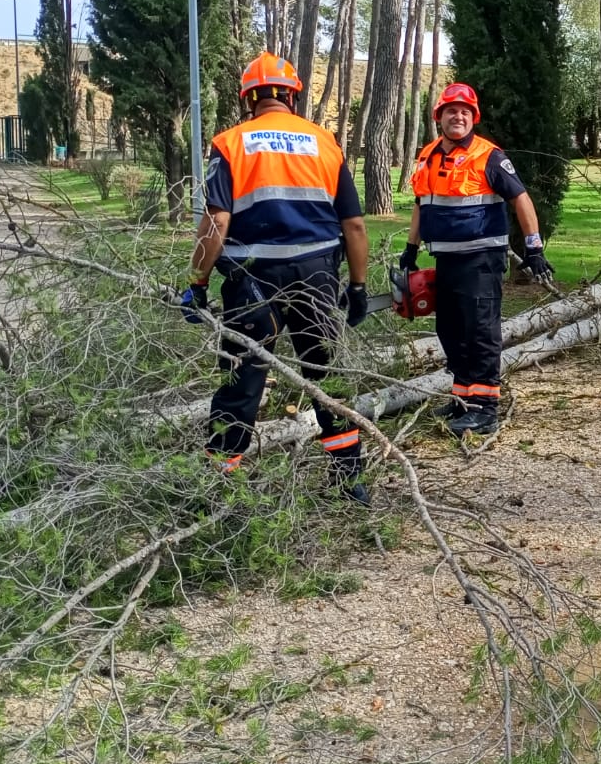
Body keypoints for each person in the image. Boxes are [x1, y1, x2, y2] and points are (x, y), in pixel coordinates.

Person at [181, 52, 372, 500]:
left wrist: (196, 283)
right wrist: (358, 287)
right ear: (291, 94)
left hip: (252, 280)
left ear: (249, 98)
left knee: (241, 380)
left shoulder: (230, 143)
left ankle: (218, 487)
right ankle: (350, 481)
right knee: (327, 377)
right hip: (317, 276)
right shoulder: (325, 142)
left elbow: (216, 222)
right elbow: (355, 226)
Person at [403, 82, 554, 436]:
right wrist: (411, 249)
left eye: (465, 112)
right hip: (445, 259)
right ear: (438, 116)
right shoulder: (428, 155)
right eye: (451, 111)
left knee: (480, 331)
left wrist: (534, 248)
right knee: (450, 330)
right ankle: (463, 397)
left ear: (473, 118)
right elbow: (421, 205)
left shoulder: (489, 156)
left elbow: (522, 200)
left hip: (481, 260)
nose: (458, 116)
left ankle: (485, 408)